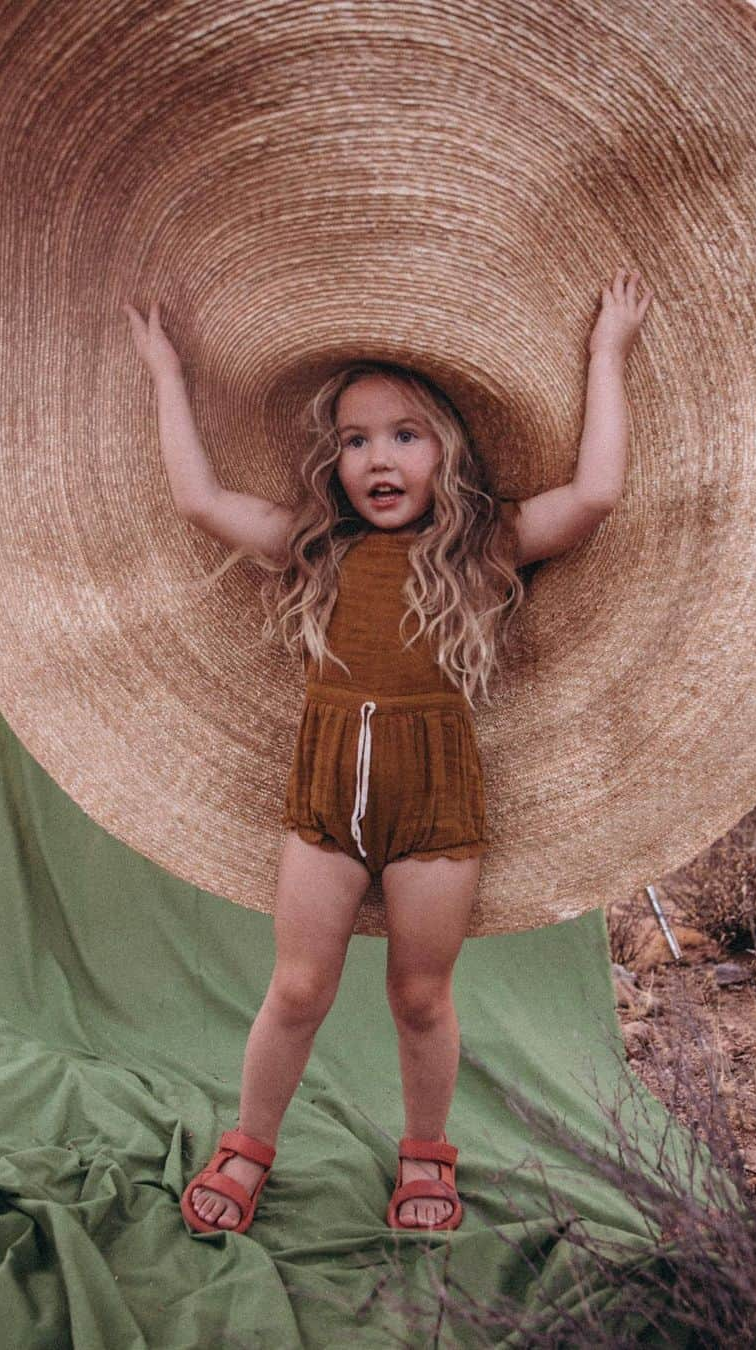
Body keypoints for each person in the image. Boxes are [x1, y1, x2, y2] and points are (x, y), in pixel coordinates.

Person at [122, 270, 652, 1234]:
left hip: (435, 809)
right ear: (334, 462)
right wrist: (167, 373)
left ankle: (426, 1159)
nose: (380, 457)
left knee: (419, 995)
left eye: (405, 434)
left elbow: (597, 493)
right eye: (357, 439)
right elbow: (200, 501)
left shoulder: (484, 545)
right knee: (297, 987)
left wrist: (604, 354)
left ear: (446, 450)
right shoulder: (317, 547)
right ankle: (248, 1142)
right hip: (326, 800)